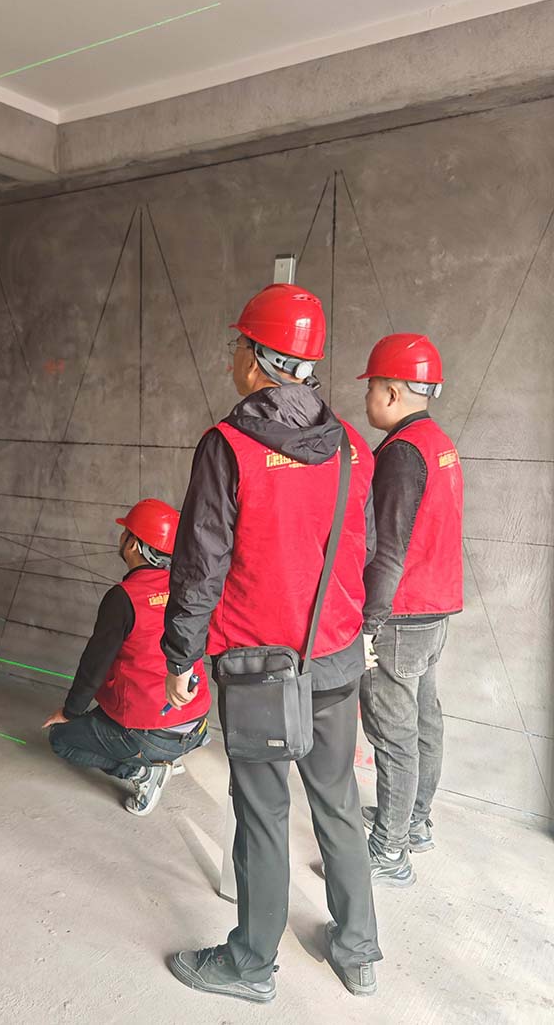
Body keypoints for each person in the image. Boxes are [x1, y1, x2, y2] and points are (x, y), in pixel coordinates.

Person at [161, 284, 382, 1004]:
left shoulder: (227, 448)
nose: (232, 356)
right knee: (338, 802)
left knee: (261, 813)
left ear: (258, 358)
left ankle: (252, 963)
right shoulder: (351, 446)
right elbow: (364, 549)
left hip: (259, 669)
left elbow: (200, 564)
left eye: (237, 344)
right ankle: (357, 950)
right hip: (335, 661)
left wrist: (180, 656)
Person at [356, 334, 463, 887]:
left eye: (371, 388)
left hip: (399, 617)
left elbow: (388, 549)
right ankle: (414, 823)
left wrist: (367, 624)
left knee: (393, 735)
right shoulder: (438, 442)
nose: (368, 398)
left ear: (393, 392)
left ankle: (388, 852)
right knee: (423, 722)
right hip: (433, 610)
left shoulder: (400, 453)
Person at [43, 499, 210, 817]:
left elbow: (94, 666)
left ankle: (143, 771)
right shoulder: (187, 590)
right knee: (108, 713)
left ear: (133, 544)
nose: (121, 538)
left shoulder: (123, 598)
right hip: (197, 723)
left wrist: (70, 712)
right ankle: (166, 755)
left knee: (62, 740)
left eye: (125, 533)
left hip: (153, 733)